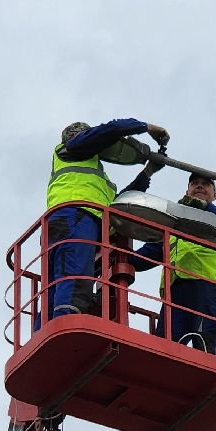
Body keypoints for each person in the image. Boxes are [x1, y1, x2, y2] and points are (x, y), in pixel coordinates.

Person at [44, 119, 170, 320]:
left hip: (75, 221)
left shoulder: (96, 180)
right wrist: (147, 127)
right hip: (76, 217)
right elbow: (110, 130)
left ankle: (46, 328)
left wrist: (147, 172)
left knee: (57, 281)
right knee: (74, 276)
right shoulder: (71, 148)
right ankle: (66, 321)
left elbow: (119, 202)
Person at [130, 172, 216, 355]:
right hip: (175, 290)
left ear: (214, 195)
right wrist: (116, 253)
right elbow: (146, 256)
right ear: (187, 191)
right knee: (164, 346)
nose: (199, 186)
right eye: (195, 183)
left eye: (206, 184)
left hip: (208, 287)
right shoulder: (174, 227)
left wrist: (206, 207)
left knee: (204, 345)